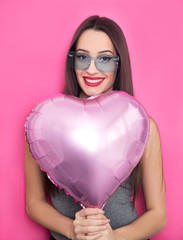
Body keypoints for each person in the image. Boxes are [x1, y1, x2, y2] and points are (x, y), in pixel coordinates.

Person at [25, 15, 167, 240]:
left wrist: (114, 237)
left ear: (119, 64)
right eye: (82, 57)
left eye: (105, 59)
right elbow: (33, 203)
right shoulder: (43, 123)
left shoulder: (143, 127)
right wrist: (71, 229)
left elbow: (158, 215)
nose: (91, 69)